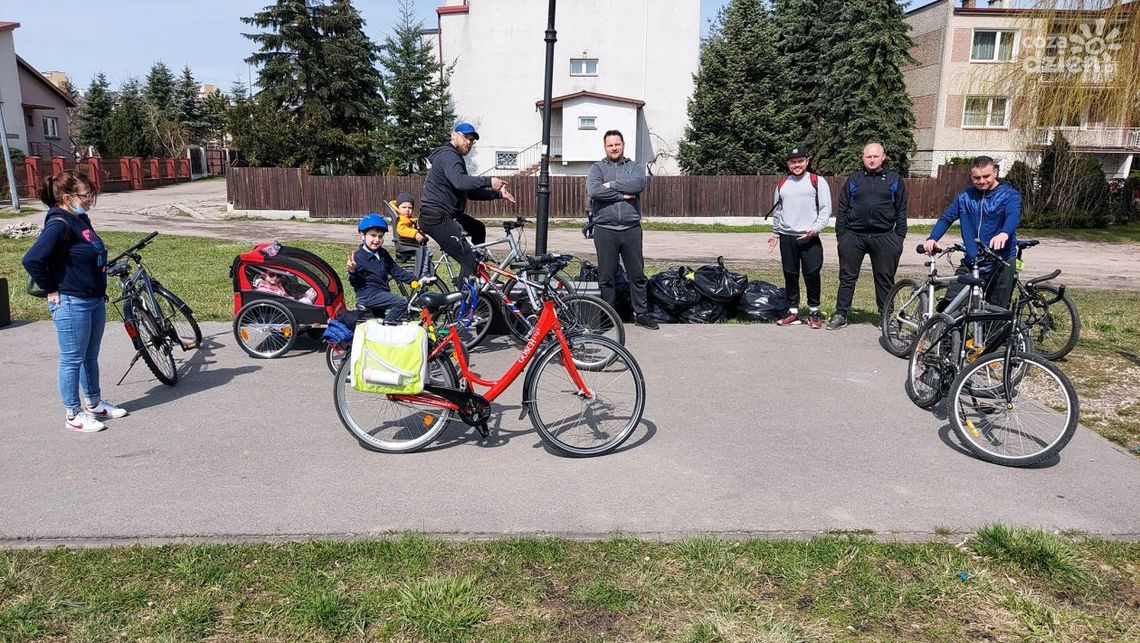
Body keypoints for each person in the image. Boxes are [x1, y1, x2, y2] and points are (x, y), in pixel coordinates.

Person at [22, 169, 128, 433]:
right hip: (71, 302)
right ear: (67, 198)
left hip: (92, 298)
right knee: (72, 359)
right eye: (86, 195)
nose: (91, 199)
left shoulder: (80, 219)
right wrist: (51, 289)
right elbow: (32, 259)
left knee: (89, 356)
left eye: (92, 194)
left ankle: (93, 403)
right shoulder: (59, 223)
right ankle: (73, 413)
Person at [419, 122, 516, 283]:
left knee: (478, 229)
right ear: (453, 135)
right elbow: (460, 182)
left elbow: (469, 192)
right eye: (466, 137)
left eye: (472, 140)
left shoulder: (454, 158)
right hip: (435, 217)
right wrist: (488, 181)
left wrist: (498, 194)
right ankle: (463, 301)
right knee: (469, 259)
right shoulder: (448, 155)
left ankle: (478, 277)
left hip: (447, 216)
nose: (469, 142)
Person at [828, 142, 908, 330]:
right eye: (868, 156)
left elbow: (901, 210)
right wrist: (842, 235)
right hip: (854, 236)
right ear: (863, 158)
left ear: (883, 157)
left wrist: (899, 238)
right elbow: (843, 207)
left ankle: (886, 317)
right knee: (847, 277)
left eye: (875, 156)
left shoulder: (893, 179)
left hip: (885, 236)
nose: (872, 160)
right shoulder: (854, 179)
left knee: (885, 279)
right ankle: (841, 313)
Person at [923, 155, 1021, 306]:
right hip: (972, 261)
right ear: (971, 176)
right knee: (951, 306)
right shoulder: (965, 197)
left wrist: (1004, 233)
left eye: (986, 176)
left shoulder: (1010, 195)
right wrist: (933, 238)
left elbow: (1013, 216)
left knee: (995, 313)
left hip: (1001, 262)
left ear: (995, 172)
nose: (981, 181)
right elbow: (946, 219)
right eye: (977, 178)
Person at [586, 129, 657, 330]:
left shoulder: (634, 167)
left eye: (617, 144)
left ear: (623, 145)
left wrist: (611, 185)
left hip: (631, 229)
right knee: (606, 277)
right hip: (604, 229)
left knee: (637, 275)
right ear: (605, 147)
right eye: (610, 145)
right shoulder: (597, 168)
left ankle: (641, 314)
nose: (614, 148)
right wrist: (620, 195)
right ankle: (608, 317)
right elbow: (594, 191)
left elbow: (638, 184)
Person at [768, 146, 832, 329]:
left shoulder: (817, 181)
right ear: (788, 164)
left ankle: (814, 312)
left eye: (800, 161)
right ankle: (793, 312)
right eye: (793, 162)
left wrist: (816, 229)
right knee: (790, 274)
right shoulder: (782, 184)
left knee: (812, 274)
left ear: (807, 161)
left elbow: (825, 209)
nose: (797, 165)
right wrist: (775, 233)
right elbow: (777, 211)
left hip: (809, 237)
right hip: (787, 237)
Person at [347, 213, 417, 322]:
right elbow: (356, 284)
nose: (377, 240)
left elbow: (396, 271)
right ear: (362, 235)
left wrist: (416, 280)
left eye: (380, 236)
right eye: (373, 235)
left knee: (377, 321)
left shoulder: (382, 253)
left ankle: (382, 331)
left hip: (381, 293)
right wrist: (352, 271)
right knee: (401, 303)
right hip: (368, 295)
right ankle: (386, 328)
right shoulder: (358, 258)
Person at [252, 269, 317, 304]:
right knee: (306, 301)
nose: (275, 277)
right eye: (271, 274)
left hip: (287, 302)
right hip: (284, 306)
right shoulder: (263, 289)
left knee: (312, 292)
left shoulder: (278, 284)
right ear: (264, 275)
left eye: (279, 275)